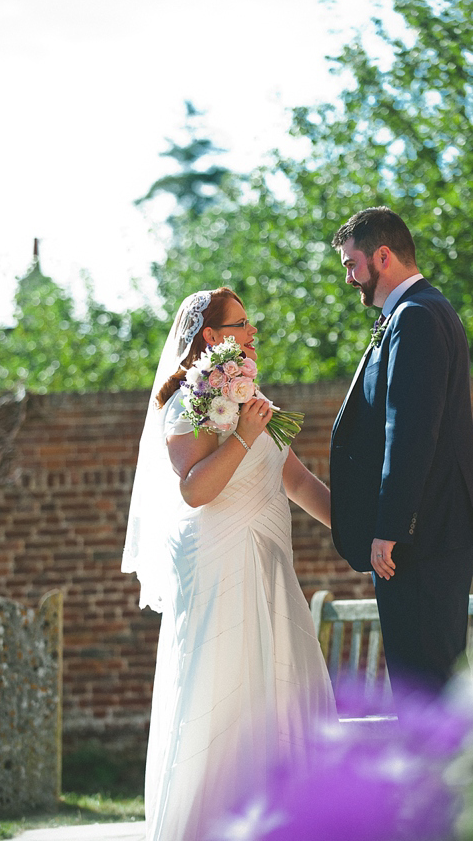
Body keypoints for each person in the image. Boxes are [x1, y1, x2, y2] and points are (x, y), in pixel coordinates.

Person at [122, 287, 335, 841]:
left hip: (270, 561)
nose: (252, 333)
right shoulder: (182, 402)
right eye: (241, 325)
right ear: (213, 337)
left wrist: (360, 532)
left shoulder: (254, 395)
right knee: (225, 698)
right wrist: (242, 432)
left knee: (280, 690)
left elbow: (295, 480)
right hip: (219, 562)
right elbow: (196, 490)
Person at [329, 206, 473, 695]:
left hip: (424, 534)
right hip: (429, 530)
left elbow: (410, 429)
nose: (348, 277)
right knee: (426, 675)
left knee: (425, 682)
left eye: (351, 263)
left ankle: (448, 773)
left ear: (382, 256)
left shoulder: (419, 316)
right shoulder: (416, 311)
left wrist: (391, 526)